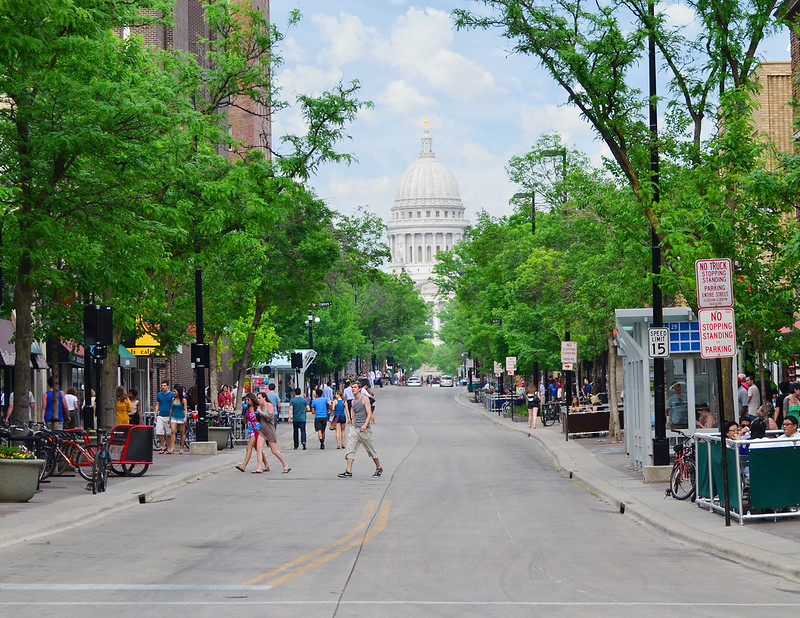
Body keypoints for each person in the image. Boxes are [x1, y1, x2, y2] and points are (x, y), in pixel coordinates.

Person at [338, 381, 382, 478]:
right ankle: (348, 471)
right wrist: (352, 424)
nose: (353, 389)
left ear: (360, 389)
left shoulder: (365, 399)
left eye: (355, 387)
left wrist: (365, 425)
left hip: (365, 429)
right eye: (352, 387)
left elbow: (369, 413)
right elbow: (354, 414)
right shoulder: (353, 402)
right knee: (350, 449)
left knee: (370, 450)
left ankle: (378, 467)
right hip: (355, 428)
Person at [254, 391, 290, 474]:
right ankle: (259, 467)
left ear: (264, 398)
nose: (258, 400)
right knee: (259, 448)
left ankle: (285, 464)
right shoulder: (260, 406)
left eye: (259, 398)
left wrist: (261, 412)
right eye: (257, 398)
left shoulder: (269, 405)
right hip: (262, 430)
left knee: (274, 450)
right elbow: (258, 419)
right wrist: (257, 412)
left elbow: (270, 418)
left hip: (269, 430)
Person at [235, 393, 269, 472]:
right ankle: (266, 465)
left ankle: (244, 466)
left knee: (248, 447)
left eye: (248, 400)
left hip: (257, 430)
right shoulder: (246, 409)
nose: (247, 401)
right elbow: (245, 421)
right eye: (246, 400)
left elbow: (263, 417)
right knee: (258, 449)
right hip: (251, 430)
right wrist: (243, 413)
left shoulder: (257, 407)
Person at [155, 380, 173, 454]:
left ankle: (169, 448)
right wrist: (155, 414)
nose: (163, 387)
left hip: (168, 415)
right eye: (162, 385)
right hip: (161, 415)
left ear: (168, 386)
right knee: (159, 431)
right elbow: (157, 404)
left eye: (164, 385)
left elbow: (173, 405)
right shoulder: (159, 395)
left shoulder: (171, 394)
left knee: (169, 433)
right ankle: (163, 445)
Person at [169, 384, 187, 454]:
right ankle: (173, 447)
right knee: (173, 431)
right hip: (174, 416)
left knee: (182, 432)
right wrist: (169, 418)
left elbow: (185, 410)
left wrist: (185, 417)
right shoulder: (173, 399)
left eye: (175, 391)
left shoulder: (183, 400)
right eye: (173, 391)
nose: (174, 393)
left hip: (181, 417)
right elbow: (171, 409)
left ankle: (181, 448)